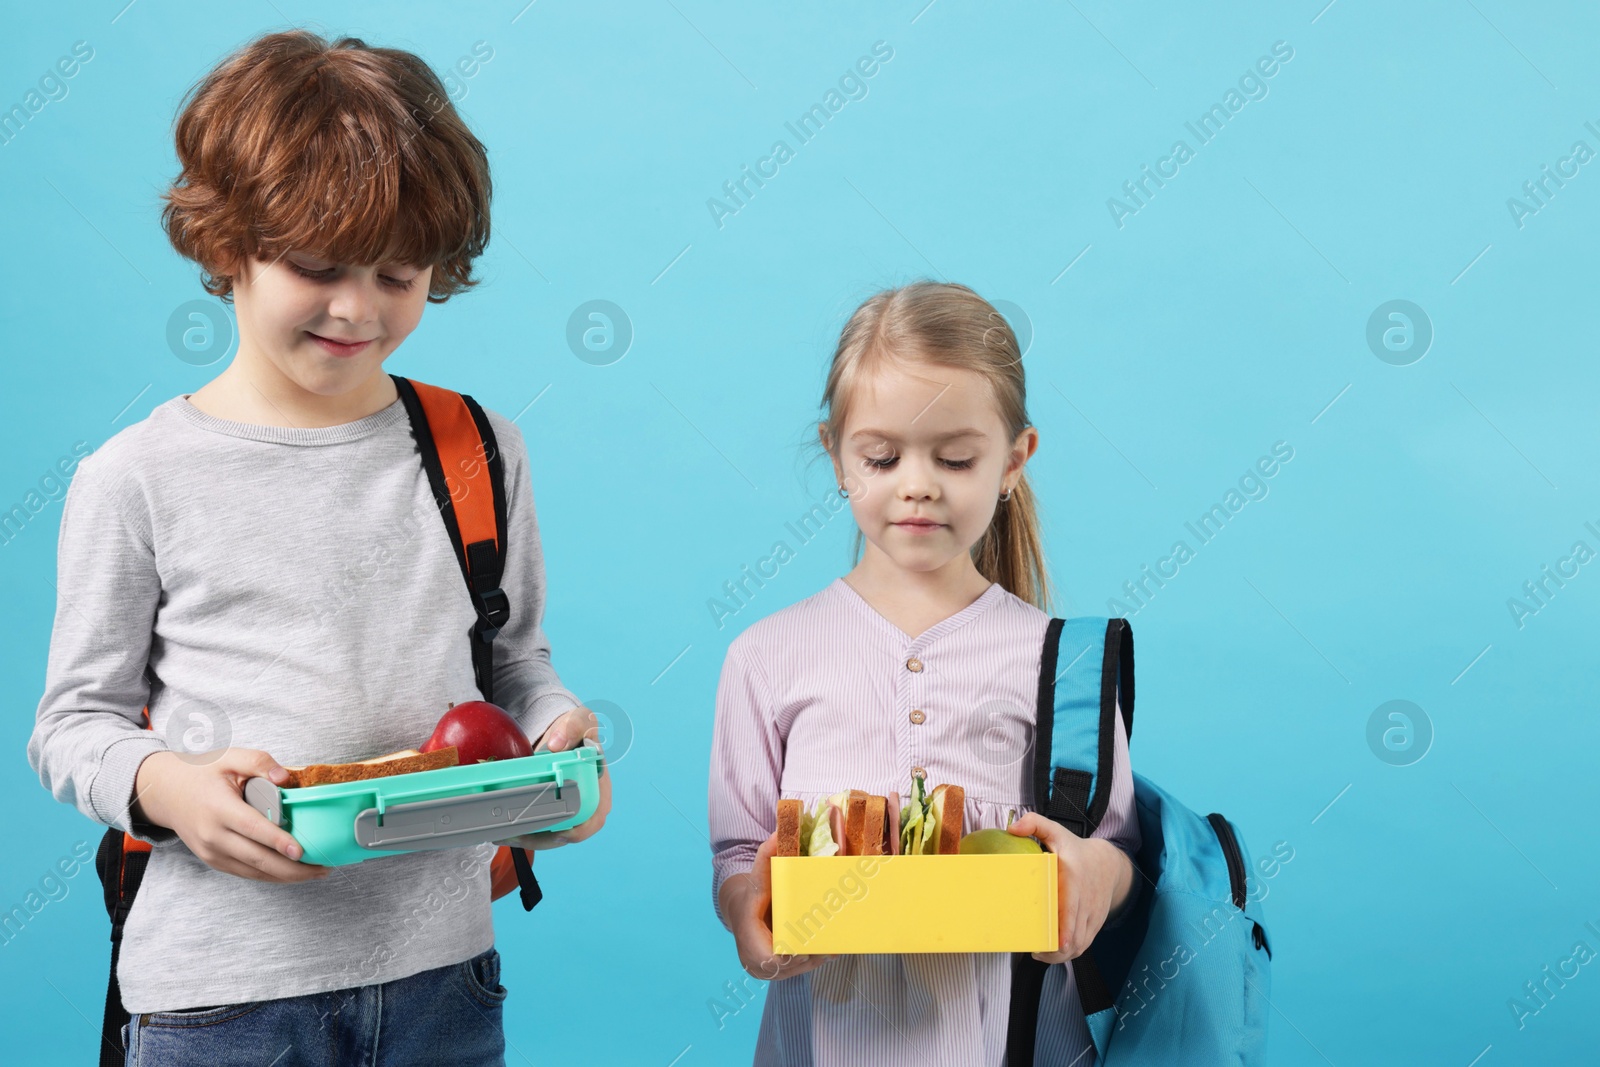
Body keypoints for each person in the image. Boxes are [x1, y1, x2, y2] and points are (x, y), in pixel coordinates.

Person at [26, 30, 607, 1066]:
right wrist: (169, 789)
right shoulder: (137, 475)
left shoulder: (476, 448)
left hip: (443, 979)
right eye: (316, 265)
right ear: (227, 245)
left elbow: (514, 663)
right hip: (219, 997)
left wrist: (556, 740)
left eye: (397, 271)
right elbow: (74, 723)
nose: (359, 308)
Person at [708, 281, 1139, 1065]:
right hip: (825, 1040)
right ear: (838, 455)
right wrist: (750, 914)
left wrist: (1095, 880)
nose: (917, 482)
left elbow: (1116, 850)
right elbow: (740, 853)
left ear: (1013, 461)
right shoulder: (765, 656)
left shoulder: (1062, 663)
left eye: (955, 457)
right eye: (882, 455)